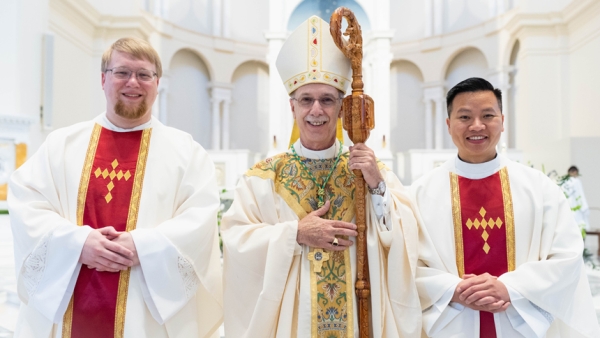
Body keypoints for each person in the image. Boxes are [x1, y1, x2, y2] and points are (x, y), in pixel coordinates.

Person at [221, 15, 421, 338]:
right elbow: (235, 241)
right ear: (292, 107)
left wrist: (377, 186)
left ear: (341, 107)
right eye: (306, 100)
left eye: (327, 100)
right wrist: (294, 233)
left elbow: (403, 239)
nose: (317, 110)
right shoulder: (263, 180)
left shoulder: (366, 171)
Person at [8, 37, 223, 337]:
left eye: (144, 74)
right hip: (72, 306)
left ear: (157, 83)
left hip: (146, 317)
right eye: (122, 72)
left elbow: (199, 219)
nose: (132, 82)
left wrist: (143, 247)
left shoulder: (187, 153)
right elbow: (27, 204)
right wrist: (78, 244)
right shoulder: (62, 145)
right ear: (103, 79)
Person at [411, 77, 600, 337]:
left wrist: (509, 288)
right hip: (453, 324)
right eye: (464, 117)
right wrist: (453, 290)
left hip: (518, 324)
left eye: (487, 115)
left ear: (502, 120)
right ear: (449, 124)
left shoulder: (539, 189)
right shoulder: (420, 194)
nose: (477, 125)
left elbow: (566, 256)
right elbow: (406, 264)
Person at [561, 165, 590, 230]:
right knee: (579, 229)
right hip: (577, 211)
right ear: (575, 172)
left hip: (566, 212)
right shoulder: (576, 181)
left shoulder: (563, 182)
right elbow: (580, 195)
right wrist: (585, 209)